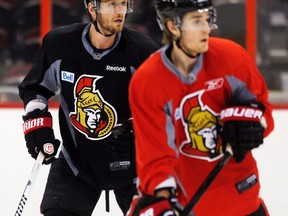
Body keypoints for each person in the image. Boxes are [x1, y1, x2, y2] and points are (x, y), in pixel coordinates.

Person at [126, 0, 274, 215]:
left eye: (207, 19)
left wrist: (252, 125)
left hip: (244, 201)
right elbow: (154, 156)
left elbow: (265, 114)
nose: (206, 28)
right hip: (192, 206)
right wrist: (161, 199)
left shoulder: (232, 57)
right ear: (172, 27)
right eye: (196, 21)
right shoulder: (148, 81)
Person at [18, 0, 159, 215]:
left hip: (135, 167)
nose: (120, 11)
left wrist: (140, 130)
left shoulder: (143, 51)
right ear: (92, 8)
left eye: (123, 4)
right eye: (112, 4)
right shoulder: (60, 44)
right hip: (77, 163)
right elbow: (35, 89)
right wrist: (37, 127)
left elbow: (163, 106)